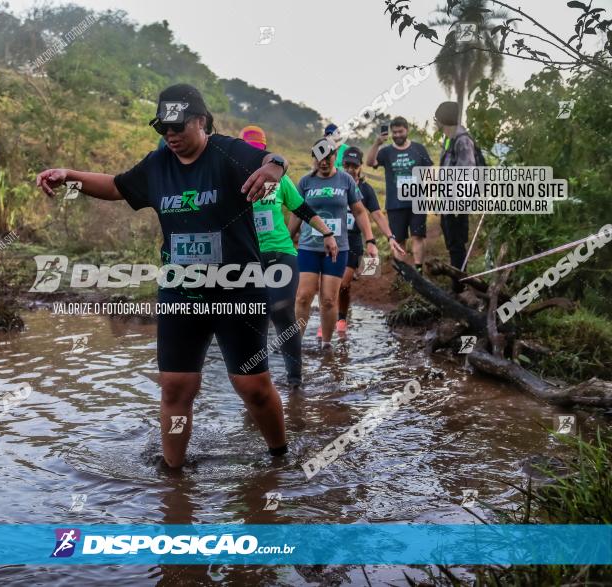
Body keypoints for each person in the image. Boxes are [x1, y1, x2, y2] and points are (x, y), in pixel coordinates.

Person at [36, 84, 290, 468]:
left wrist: (274, 167)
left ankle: (280, 456)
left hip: (238, 289)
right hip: (181, 293)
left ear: (201, 120)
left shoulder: (227, 152)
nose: (170, 135)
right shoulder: (157, 167)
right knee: (176, 386)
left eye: (178, 126)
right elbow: (117, 186)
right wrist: (69, 175)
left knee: (252, 387)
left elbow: (271, 159)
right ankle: (173, 478)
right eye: (163, 128)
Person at [240, 125, 338, 389]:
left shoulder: (279, 179)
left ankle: (295, 381)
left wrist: (327, 233)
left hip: (282, 252)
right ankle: (256, 380)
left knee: (282, 313)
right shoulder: (232, 177)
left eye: (257, 150)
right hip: (248, 258)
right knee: (251, 317)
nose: (253, 154)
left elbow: (302, 209)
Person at [291, 138, 379, 350]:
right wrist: (286, 238)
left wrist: (370, 240)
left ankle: (327, 344)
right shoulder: (305, 182)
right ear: (314, 158)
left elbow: (359, 211)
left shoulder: (345, 180)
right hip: (308, 246)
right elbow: (297, 212)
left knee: (329, 299)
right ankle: (296, 343)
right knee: (303, 297)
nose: (324, 162)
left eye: (328, 157)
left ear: (334, 157)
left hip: (337, 249)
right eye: (319, 158)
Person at [337, 147, 405, 334]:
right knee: (328, 284)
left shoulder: (366, 189)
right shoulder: (334, 184)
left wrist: (390, 237)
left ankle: (341, 318)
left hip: (352, 241)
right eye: (347, 165)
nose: (350, 169)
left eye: (354, 166)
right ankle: (329, 320)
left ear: (360, 167)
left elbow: (377, 215)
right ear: (342, 165)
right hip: (332, 240)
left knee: (343, 284)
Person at [365, 116, 433, 271]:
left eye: (400, 132)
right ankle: (402, 274)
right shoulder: (386, 152)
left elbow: (428, 171)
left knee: (418, 236)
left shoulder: (418, 148)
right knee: (398, 240)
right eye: (394, 132)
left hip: (417, 202)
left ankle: (418, 271)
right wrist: (377, 143)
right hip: (395, 204)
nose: (397, 135)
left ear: (406, 130)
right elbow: (369, 163)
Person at [436, 101, 481, 292]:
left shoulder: (462, 140)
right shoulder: (451, 139)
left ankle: (459, 287)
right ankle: (458, 283)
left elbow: (467, 172)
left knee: (457, 244)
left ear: (443, 119)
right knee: (452, 243)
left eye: (437, 118)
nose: (435, 122)